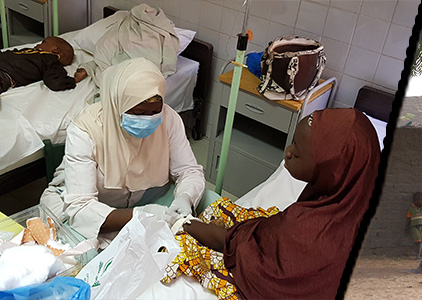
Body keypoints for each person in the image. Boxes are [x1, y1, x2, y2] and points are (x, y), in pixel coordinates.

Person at [166, 108, 381, 299]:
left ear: (333, 172)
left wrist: (185, 223)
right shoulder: (351, 195)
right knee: (219, 209)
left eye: (296, 149)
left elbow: (246, 251)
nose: (287, 152)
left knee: (181, 246)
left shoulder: (306, 227)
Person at [40, 58, 201, 247]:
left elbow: (189, 171)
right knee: (86, 250)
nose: (148, 119)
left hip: (144, 198)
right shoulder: (86, 128)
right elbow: (80, 206)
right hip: (87, 206)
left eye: (154, 112)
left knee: (175, 240)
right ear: (118, 106)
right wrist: (139, 215)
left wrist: (185, 197)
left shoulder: (169, 119)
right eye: (139, 113)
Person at [0, 36, 86, 93]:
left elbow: (54, 82)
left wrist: (74, 80)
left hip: (6, 73)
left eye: (43, 42)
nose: (38, 44)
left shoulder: (51, 62)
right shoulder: (32, 52)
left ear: (56, 50)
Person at [406, 192, 422, 258]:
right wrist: (406, 227)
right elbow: (408, 218)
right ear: (416, 201)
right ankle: (416, 252)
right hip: (414, 226)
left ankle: (418, 255)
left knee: (421, 240)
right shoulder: (411, 208)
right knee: (417, 240)